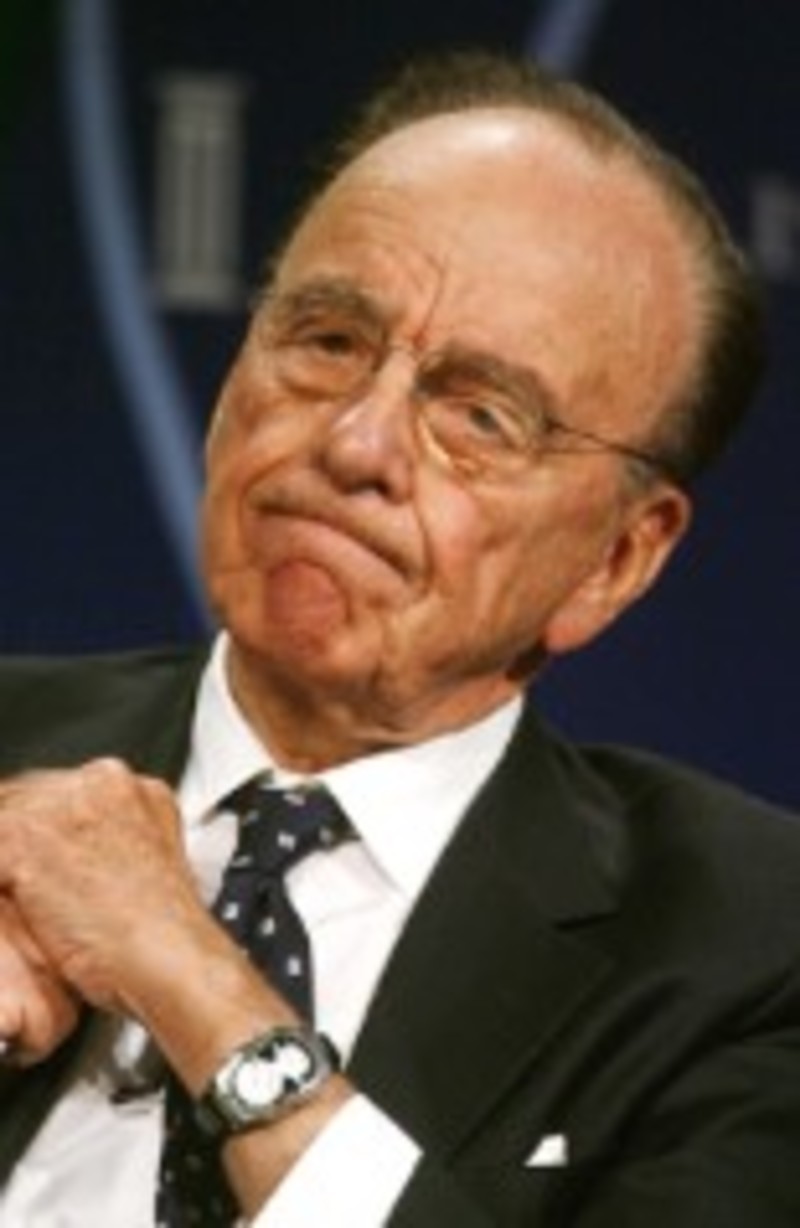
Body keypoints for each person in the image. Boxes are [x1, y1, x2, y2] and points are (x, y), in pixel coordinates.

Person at [0, 47, 798, 1227]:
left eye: (479, 414)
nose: (354, 445)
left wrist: (195, 984)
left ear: (616, 558)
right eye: (327, 340)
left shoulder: (749, 950)